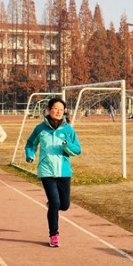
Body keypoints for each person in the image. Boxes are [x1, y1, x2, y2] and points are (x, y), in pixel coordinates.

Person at [25, 97, 81, 248]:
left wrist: (66, 145)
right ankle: (54, 235)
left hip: (64, 171)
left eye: (61, 109)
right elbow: (31, 143)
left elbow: (77, 149)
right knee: (55, 203)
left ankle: (53, 204)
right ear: (49, 110)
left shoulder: (68, 129)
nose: (58, 111)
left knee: (64, 205)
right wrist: (30, 155)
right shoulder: (40, 128)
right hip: (46, 171)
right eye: (55, 108)